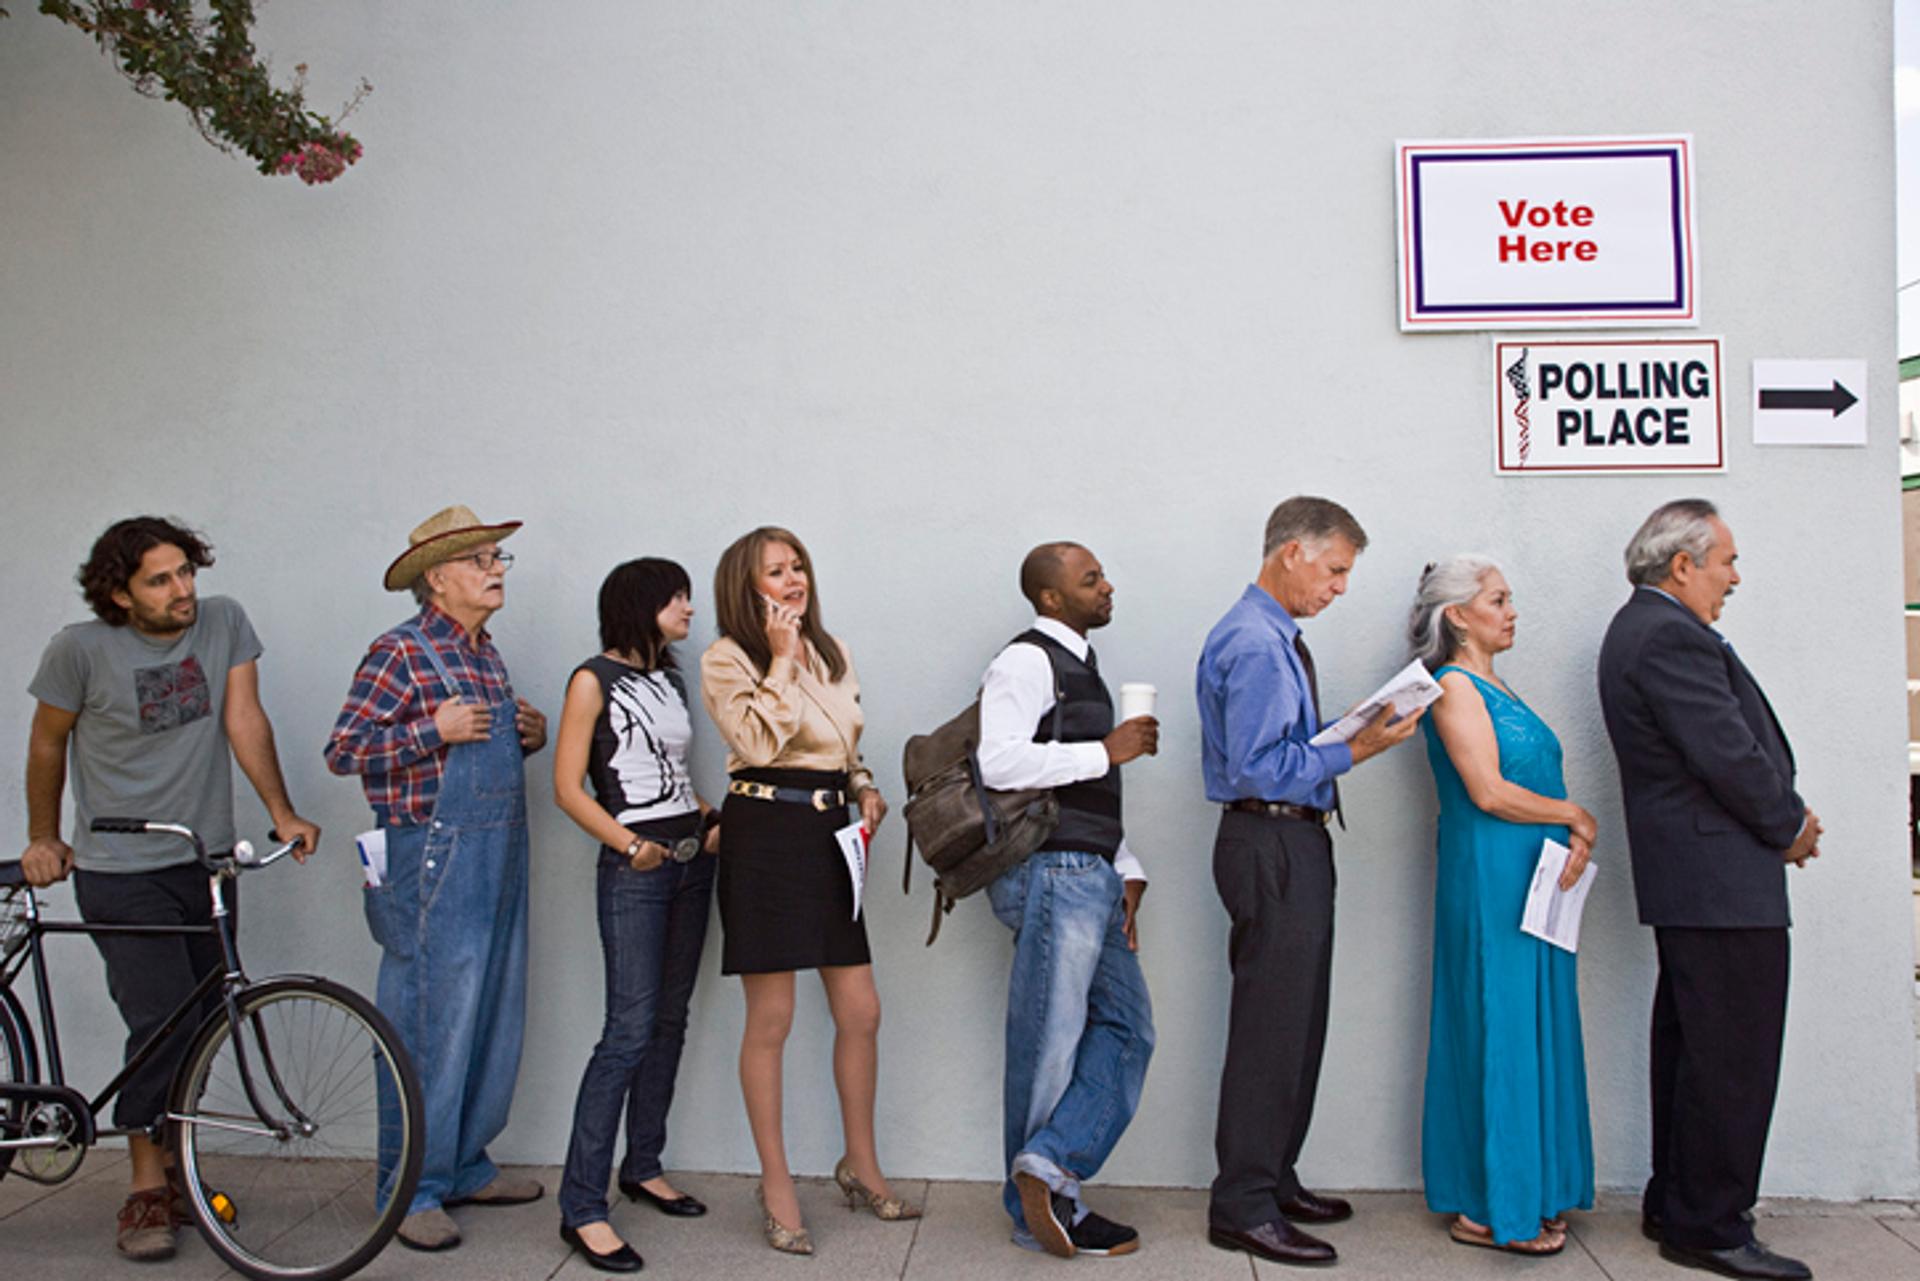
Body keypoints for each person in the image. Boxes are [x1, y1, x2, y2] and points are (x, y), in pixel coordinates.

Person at [19, 516, 321, 1262]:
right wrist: (43, 835)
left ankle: (179, 1167)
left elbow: (243, 717)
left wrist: (281, 811)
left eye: (187, 571)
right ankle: (145, 1182)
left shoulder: (222, 623)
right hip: (120, 867)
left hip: (205, 862)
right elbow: (47, 741)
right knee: (160, 1021)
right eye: (160, 579)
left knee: (203, 1022)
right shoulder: (79, 649)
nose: (183, 589)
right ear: (119, 593)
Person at [1195, 496, 1424, 1268]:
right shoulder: (1257, 643)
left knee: (1298, 1020)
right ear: (1291, 551)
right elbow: (1260, 766)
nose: (1339, 588)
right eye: (1334, 570)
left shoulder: (1273, 636)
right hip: (1270, 838)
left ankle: (1273, 1176)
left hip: (1289, 839)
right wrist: (1359, 748)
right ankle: (1243, 1203)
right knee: (1272, 1026)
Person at [1597, 500, 1818, 1281]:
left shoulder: (1648, 629)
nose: (1734, 576)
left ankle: (1680, 1200)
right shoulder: (1664, 634)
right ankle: (1710, 1222)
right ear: (1681, 562)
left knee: (1695, 1049)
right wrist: (1789, 821)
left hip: (1701, 881)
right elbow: (1726, 751)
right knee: (1733, 1056)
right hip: (1718, 880)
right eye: (1725, 559)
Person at [323, 504, 550, 1253]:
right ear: (437, 577)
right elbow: (345, 748)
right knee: (428, 1023)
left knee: (491, 1013)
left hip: (498, 854)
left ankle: (463, 1165)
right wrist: (434, 730)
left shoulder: (487, 654)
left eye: (498, 558)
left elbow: (482, 754)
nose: (495, 570)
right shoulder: (400, 651)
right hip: (431, 856)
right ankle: (409, 1187)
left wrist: (527, 735)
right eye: (481, 559)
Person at [699, 526, 915, 1256]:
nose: (794, 580)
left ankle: (861, 1162)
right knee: (774, 1015)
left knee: (861, 1006)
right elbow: (760, 744)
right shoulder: (726, 657)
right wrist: (782, 658)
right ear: (745, 585)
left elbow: (842, 743)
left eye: (799, 567)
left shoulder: (836, 651)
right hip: (762, 832)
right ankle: (777, 1179)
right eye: (776, 571)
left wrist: (865, 786)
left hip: (830, 836)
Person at [975, 542, 1158, 1259]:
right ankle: (1039, 1211)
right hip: (1053, 875)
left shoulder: (1081, 666)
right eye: (1091, 579)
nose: (1107, 585)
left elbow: (1087, 796)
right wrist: (1106, 750)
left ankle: (1047, 1167)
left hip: (1090, 874)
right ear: (1051, 597)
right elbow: (998, 762)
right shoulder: (1023, 660)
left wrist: (1127, 870)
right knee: (1048, 1046)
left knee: (1127, 1030)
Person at [1408, 555, 1595, 1255]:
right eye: (1498, 598)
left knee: (1529, 1022)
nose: (1512, 610)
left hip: (1531, 876)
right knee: (1499, 1020)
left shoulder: (1497, 684)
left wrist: (1568, 834)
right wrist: (1575, 813)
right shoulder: (1455, 686)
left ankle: (1528, 1188)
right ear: (1457, 614)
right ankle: (1494, 1204)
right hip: (1491, 876)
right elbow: (1486, 790)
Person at [552, 558, 720, 1273]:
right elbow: (567, 786)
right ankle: (582, 1206)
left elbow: (673, 772)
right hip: (638, 867)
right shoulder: (592, 678)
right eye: (675, 596)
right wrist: (629, 843)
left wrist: (709, 815)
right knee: (625, 1030)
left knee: (669, 1019)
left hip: (692, 858)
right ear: (639, 604)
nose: (688, 606)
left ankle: (641, 1164)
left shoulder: (671, 678)